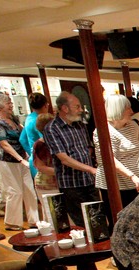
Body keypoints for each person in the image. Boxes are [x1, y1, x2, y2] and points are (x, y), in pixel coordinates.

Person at [43, 91, 100, 226]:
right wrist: (90, 169)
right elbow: (63, 158)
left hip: (89, 180)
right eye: (77, 107)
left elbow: (88, 147)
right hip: (71, 183)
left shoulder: (80, 125)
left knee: (97, 218)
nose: (81, 110)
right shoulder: (52, 128)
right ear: (65, 108)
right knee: (81, 222)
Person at [93, 94, 139, 229]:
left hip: (138, 182)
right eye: (127, 108)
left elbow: (137, 151)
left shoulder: (133, 125)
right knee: (122, 223)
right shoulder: (103, 131)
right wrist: (132, 177)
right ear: (118, 110)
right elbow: (110, 160)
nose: (131, 111)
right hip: (118, 185)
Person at [0, 92, 39, 231]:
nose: (11, 105)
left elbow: (23, 133)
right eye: (8, 103)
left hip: (23, 158)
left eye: (10, 102)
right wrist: (21, 159)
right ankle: (12, 222)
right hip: (7, 160)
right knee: (14, 191)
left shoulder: (12, 118)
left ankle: (34, 221)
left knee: (29, 189)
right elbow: (4, 144)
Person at [31, 113, 59, 216]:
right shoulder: (40, 144)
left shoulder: (57, 142)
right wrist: (61, 172)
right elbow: (41, 167)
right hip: (47, 185)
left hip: (57, 184)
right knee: (53, 216)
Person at [18, 92, 49, 178]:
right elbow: (47, 140)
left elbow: (22, 139)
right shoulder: (40, 121)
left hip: (34, 159)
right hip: (44, 161)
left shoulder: (29, 118)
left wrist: (32, 152)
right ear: (45, 105)